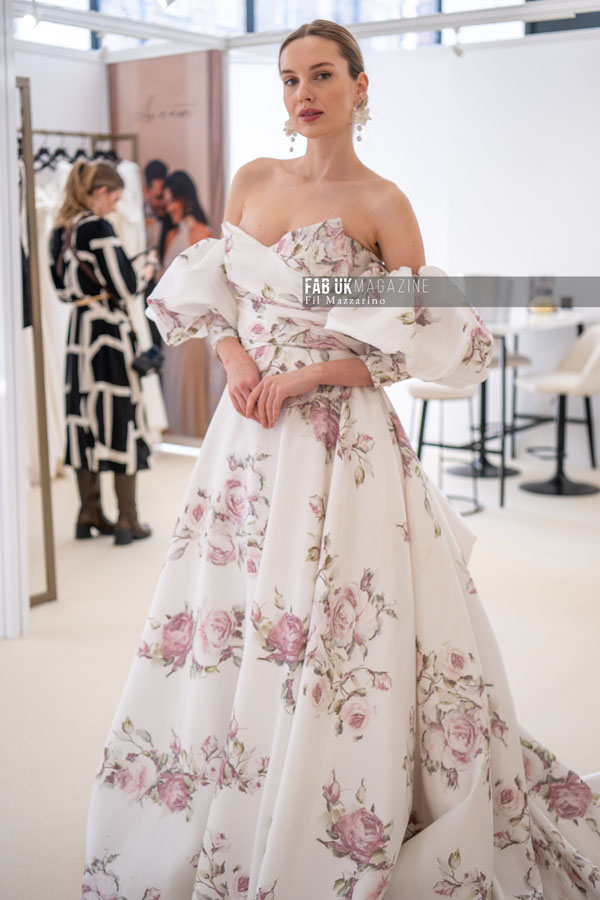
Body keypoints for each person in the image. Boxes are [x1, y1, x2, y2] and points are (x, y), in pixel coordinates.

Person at [81, 19, 600, 900]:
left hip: (340, 440)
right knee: (238, 611)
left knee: (336, 625)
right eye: (289, 79)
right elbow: (218, 297)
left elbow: (413, 347)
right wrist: (239, 362)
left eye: (322, 75)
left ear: (361, 86)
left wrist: (310, 374)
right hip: (248, 438)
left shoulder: (383, 204)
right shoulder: (252, 180)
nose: (303, 94)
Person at [49, 160, 158, 546]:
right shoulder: (98, 228)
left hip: (79, 335)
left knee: (83, 418)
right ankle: (128, 519)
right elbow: (126, 286)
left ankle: (88, 512)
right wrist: (146, 271)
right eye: (114, 197)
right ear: (99, 193)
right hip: (108, 335)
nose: (115, 205)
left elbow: (61, 290)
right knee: (119, 417)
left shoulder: (60, 231)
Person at [159, 171, 225, 437]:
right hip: (170, 320)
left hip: (192, 321)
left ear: (184, 199)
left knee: (190, 381)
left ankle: (193, 434)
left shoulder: (201, 233)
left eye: (171, 201)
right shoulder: (170, 235)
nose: (168, 208)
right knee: (172, 381)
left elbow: (208, 281)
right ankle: (175, 433)